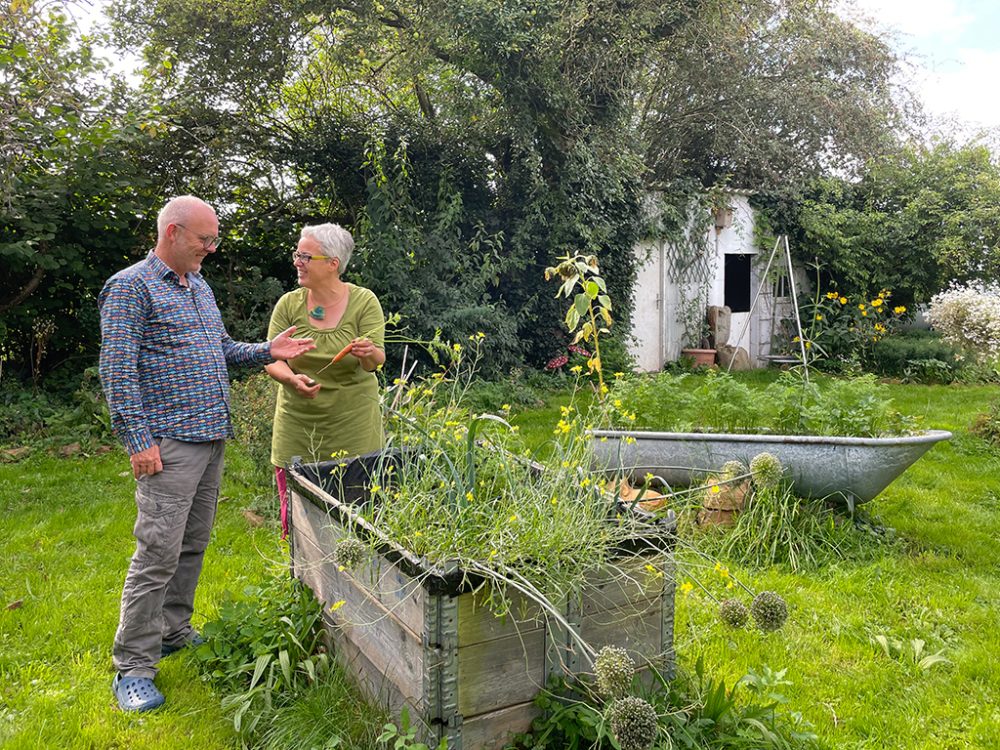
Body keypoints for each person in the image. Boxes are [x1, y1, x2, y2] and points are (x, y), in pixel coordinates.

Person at [98, 195, 315, 713]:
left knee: (191, 545)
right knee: (157, 553)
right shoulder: (130, 288)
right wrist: (138, 440)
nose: (211, 249)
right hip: (168, 442)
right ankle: (133, 664)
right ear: (172, 233)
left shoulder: (198, 286)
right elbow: (118, 371)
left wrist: (268, 351)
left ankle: (173, 629)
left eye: (214, 239)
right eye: (204, 239)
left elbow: (220, 350)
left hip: (209, 437)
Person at [265, 223, 386, 535]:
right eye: (297, 254)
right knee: (299, 519)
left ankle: (356, 580)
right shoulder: (289, 305)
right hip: (298, 426)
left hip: (353, 426)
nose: (297, 262)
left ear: (333, 264)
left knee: (359, 516)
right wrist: (292, 380)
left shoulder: (364, 302)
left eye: (306, 256)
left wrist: (367, 352)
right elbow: (272, 358)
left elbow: (376, 362)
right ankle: (301, 579)